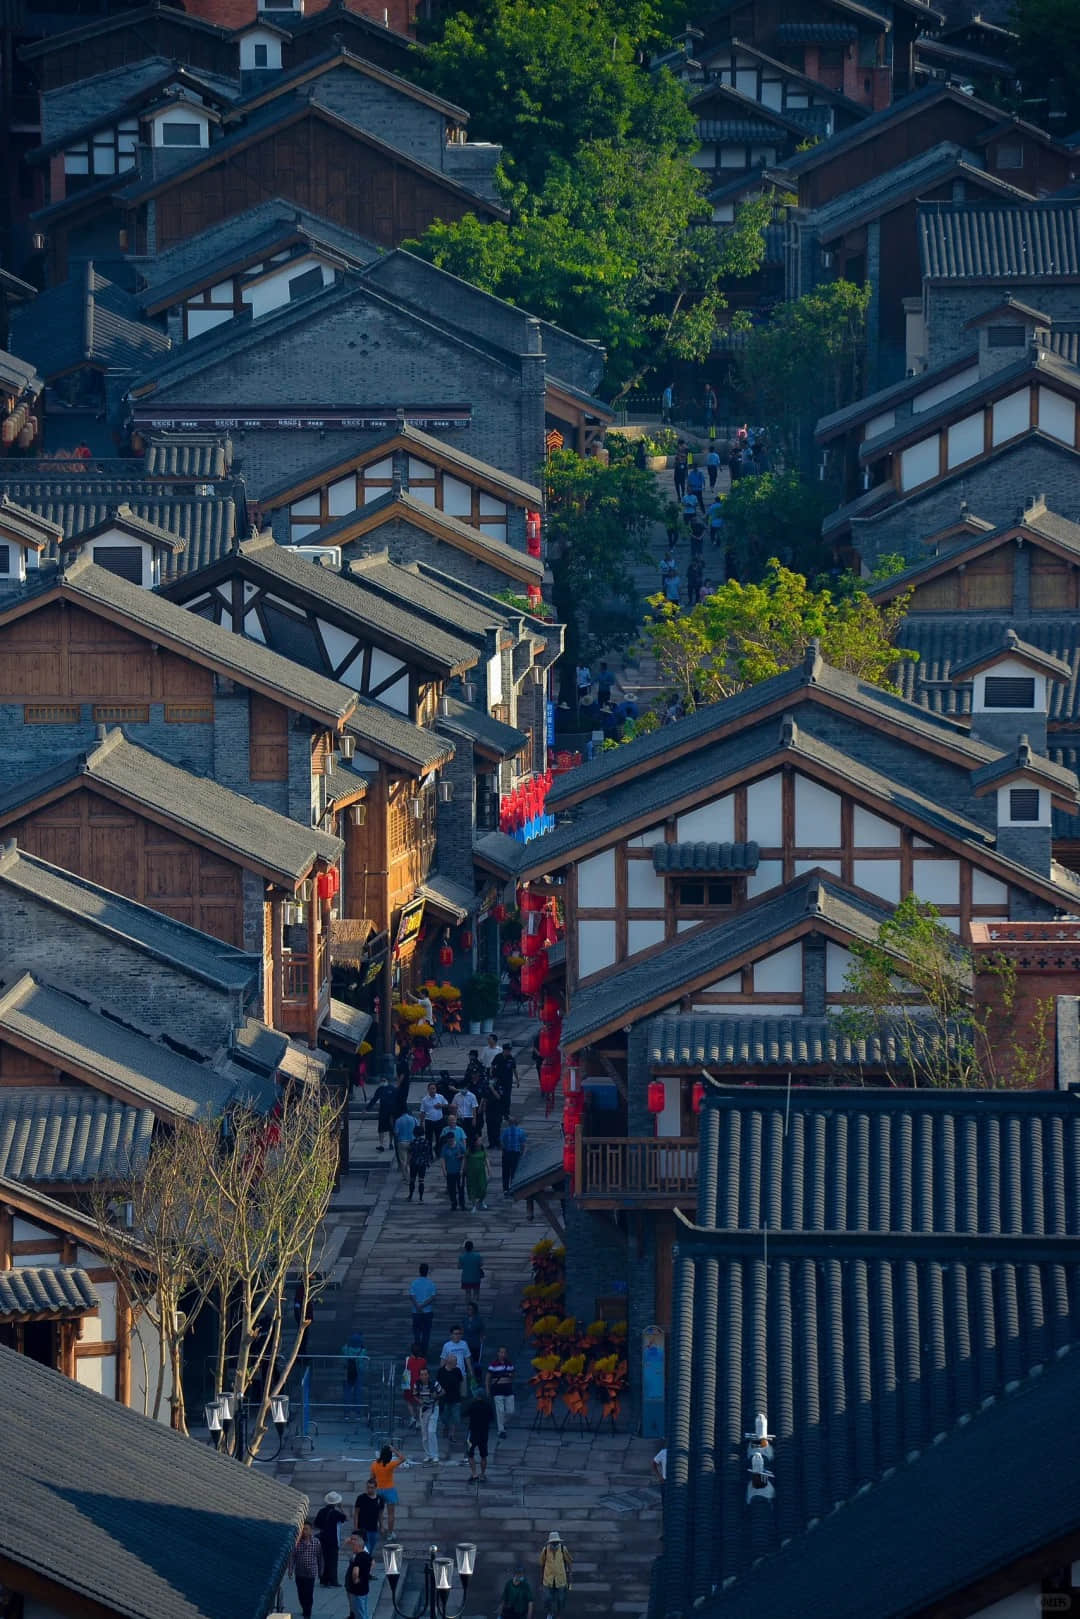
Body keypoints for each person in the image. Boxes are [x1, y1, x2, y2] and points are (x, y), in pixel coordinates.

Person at [290, 1522, 323, 1619]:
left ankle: (307, 1612)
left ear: (310, 1530)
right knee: (301, 1593)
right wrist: (290, 1570)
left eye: (306, 1529)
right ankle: (304, 1606)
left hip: (311, 1572)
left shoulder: (316, 1542)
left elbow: (320, 1557)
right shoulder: (297, 1542)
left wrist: (321, 1571)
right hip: (299, 1572)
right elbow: (292, 1557)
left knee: (308, 1593)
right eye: (303, 1529)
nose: (304, 1531)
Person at [314, 1492, 347, 1586]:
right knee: (333, 1560)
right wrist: (341, 1508)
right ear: (336, 1503)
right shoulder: (336, 1513)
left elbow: (316, 1524)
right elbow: (346, 1518)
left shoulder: (321, 1511)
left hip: (323, 1538)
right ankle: (333, 1580)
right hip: (333, 1539)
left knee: (324, 1559)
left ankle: (324, 1579)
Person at [371, 1444, 405, 1533]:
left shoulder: (374, 1464)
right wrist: (394, 1450)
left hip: (378, 1490)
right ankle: (390, 1533)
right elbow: (402, 1458)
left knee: (380, 1512)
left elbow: (372, 1478)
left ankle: (381, 1527)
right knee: (391, 1514)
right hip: (389, 1491)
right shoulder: (390, 1464)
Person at [539, 1531, 573, 1617]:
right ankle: (550, 1613)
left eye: (556, 1542)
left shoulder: (563, 1549)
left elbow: (569, 1562)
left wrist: (570, 1574)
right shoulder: (545, 1550)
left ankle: (558, 1616)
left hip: (561, 1579)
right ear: (550, 1542)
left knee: (561, 1600)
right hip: (548, 1579)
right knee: (547, 1599)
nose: (555, 1544)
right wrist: (541, 1577)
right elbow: (542, 1564)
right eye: (553, 1542)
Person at [434, 1351, 465, 1445]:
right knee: (444, 1417)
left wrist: (462, 1393)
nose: (457, 1363)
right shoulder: (441, 1371)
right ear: (449, 1362)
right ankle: (446, 1426)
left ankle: (452, 1434)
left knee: (456, 1418)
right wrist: (437, 1394)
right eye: (455, 1361)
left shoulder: (457, 1371)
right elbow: (437, 1384)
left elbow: (461, 1382)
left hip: (456, 1398)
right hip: (444, 1398)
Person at [486, 1347, 516, 1439]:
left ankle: (502, 1423)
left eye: (504, 1352)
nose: (503, 1354)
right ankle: (501, 1430)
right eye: (501, 1352)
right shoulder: (493, 1365)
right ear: (498, 1353)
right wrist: (487, 1389)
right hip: (497, 1390)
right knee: (500, 1411)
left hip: (508, 1390)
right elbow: (488, 1377)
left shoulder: (509, 1364)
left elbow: (513, 1375)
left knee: (511, 1411)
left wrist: (512, 1375)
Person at [466, 1389, 494, 1482]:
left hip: (473, 1433)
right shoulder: (488, 1406)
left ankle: (474, 1474)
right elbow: (492, 1418)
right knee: (483, 1455)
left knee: (470, 1454)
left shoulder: (472, 1405)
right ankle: (482, 1474)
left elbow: (464, 1413)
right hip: (484, 1433)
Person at [415, 1363, 441, 1462]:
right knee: (425, 1435)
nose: (424, 1376)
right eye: (422, 1374)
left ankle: (435, 1455)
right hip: (424, 1409)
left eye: (425, 1374)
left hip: (434, 1408)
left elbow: (442, 1392)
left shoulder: (434, 1383)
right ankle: (428, 1454)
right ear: (420, 1376)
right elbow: (415, 1395)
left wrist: (436, 1396)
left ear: (428, 1375)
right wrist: (419, 1400)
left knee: (431, 1431)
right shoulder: (417, 1384)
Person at [408, 1263, 436, 1353]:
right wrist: (423, 1305)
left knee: (416, 1332)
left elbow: (412, 1296)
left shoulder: (414, 1283)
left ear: (419, 1271)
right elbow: (432, 1297)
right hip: (427, 1311)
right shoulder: (431, 1283)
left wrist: (417, 1306)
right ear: (427, 1271)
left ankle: (416, 1349)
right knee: (426, 1333)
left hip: (416, 1312)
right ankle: (424, 1351)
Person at [352, 1480, 384, 1557]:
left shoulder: (380, 1499)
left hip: (373, 1528)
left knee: (370, 1549)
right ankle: (362, 1565)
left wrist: (382, 1526)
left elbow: (380, 1514)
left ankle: (364, 1564)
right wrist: (356, 1527)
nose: (369, 1489)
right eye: (368, 1487)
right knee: (366, 1549)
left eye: (371, 1488)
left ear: (376, 1488)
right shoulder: (361, 1498)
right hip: (362, 1529)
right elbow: (356, 1513)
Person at [440, 1120, 467, 1211]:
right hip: (450, 1171)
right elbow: (443, 1159)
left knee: (460, 1188)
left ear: (454, 1139)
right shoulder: (445, 1147)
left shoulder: (459, 1145)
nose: (450, 1142)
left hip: (459, 1171)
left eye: (452, 1141)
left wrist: (462, 1169)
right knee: (451, 1189)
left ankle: (462, 1204)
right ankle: (453, 1203)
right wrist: (444, 1170)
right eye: (449, 1141)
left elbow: (465, 1156)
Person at [344, 1538, 374, 1619]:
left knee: (359, 1613)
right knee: (364, 1610)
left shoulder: (358, 1558)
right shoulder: (367, 1555)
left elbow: (355, 1572)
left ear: (358, 1546)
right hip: (365, 1588)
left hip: (357, 1590)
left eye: (353, 1546)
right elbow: (373, 1562)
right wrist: (368, 1573)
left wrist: (355, 1580)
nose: (352, 1548)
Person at [342, 1332, 368, 1419]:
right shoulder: (363, 1351)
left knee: (347, 1393)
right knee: (358, 1393)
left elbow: (344, 1348)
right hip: (358, 1373)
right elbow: (364, 1364)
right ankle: (358, 1412)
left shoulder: (346, 1349)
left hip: (347, 1372)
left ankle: (347, 1413)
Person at [419, 1081, 449, 1150]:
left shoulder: (440, 1097)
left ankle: (438, 1152)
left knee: (439, 1138)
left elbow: (447, 1105)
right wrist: (421, 1123)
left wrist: (441, 1105)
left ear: (436, 1089)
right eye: (430, 1089)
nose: (432, 1090)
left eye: (433, 1088)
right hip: (429, 1121)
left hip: (439, 1121)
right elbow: (422, 1112)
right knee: (428, 1139)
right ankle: (429, 1155)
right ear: (428, 1089)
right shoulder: (424, 1100)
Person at [370, 1076, 398, 1152]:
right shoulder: (379, 1089)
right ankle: (381, 1145)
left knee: (391, 1128)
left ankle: (390, 1143)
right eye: (381, 1080)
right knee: (381, 1128)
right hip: (382, 1111)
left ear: (387, 1081)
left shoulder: (393, 1089)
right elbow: (374, 1099)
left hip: (392, 1111)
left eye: (384, 1080)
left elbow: (398, 1099)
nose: (382, 1081)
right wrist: (367, 1108)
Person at [500, 1115, 526, 1195]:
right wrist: (522, 1153)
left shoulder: (505, 1131)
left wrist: (504, 1149)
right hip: (516, 1154)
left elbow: (501, 1142)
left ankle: (505, 1189)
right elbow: (523, 1144)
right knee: (514, 1172)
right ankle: (513, 1187)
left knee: (506, 1172)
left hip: (507, 1153)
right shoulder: (521, 1131)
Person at [407, 1129, 433, 1204]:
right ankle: (421, 1198)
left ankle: (410, 1195)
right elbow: (428, 1153)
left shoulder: (413, 1142)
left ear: (414, 1134)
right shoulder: (426, 1142)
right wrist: (428, 1162)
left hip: (414, 1163)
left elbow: (410, 1152)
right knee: (421, 1180)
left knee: (412, 1180)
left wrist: (407, 1162)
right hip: (422, 1163)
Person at [465, 1137, 489, 1211]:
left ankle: (481, 1201)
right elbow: (465, 1159)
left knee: (483, 1188)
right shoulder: (470, 1150)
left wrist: (489, 1169)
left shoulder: (482, 1149)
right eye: (479, 1140)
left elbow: (486, 1159)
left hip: (481, 1172)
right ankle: (474, 1205)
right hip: (471, 1172)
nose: (481, 1142)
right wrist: (462, 1169)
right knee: (472, 1188)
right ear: (475, 1142)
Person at [393, 1106, 417, 1178]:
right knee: (411, 1160)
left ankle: (406, 1177)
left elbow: (396, 1133)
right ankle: (412, 1175)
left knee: (403, 1161)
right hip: (412, 1141)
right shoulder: (414, 1119)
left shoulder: (398, 1120)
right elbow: (418, 1130)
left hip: (402, 1142)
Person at [455, 1080, 479, 1144]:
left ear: (466, 1088)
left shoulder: (472, 1096)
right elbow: (454, 1106)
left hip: (469, 1117)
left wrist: (474, 1119)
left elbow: (474, 1108)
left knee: (470, 1135)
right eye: (461, 1088)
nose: (462, 1090)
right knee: (461, 1135)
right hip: (460, 1118)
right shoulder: (457, 1096)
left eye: (463, 1088)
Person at [462, 1300, 485, 1368]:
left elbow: (482, 1330)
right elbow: (462, 1330)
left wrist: (482, 1337)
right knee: (465, 1361)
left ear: (474, 1310)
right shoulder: (465, 1319)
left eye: (470, 1309)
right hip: (466, 1343)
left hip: (475, 1343)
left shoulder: (479, 1320)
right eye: (468, 1309)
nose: (468, 1311)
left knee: (475, 1361)